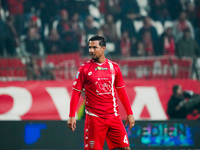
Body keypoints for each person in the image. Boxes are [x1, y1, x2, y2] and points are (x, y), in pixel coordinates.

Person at [67, 35, 135, 150]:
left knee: (125, 148)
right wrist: (72, 116)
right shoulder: (84, 69)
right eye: (89, 48)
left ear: (103, 48)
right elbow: (76, 92)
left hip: (113, 117)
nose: (91, 51)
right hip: (94, 119)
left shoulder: (114, 68)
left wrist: (129, 113)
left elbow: (121, 91)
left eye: (94, 47)